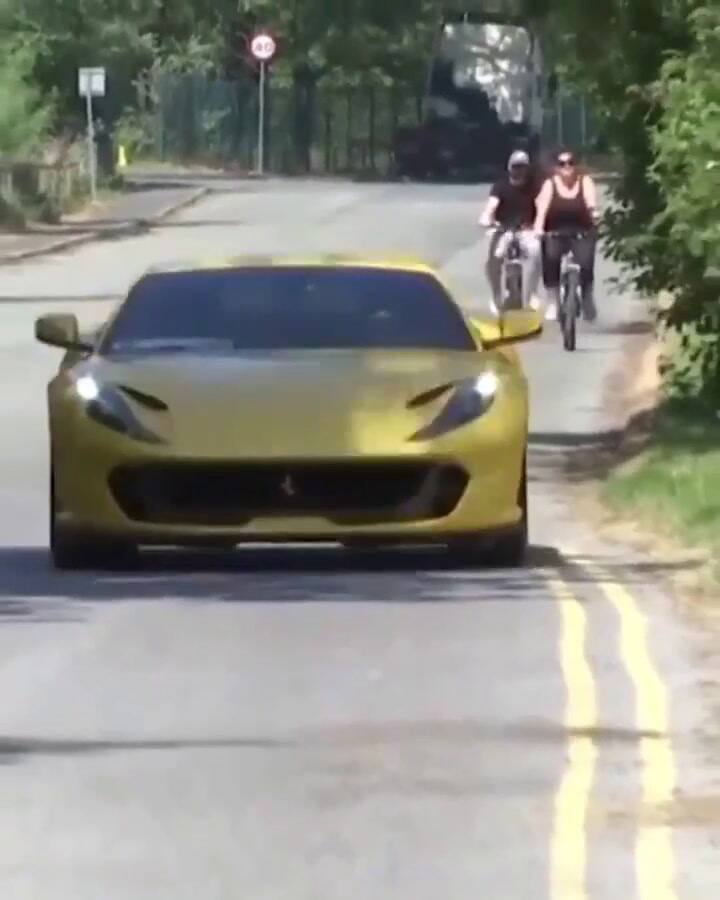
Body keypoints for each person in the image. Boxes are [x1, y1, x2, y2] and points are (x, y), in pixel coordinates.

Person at [533, 148, 601, 321]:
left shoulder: (585, 181)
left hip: (581, 231)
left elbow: (591, 202)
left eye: (571, 163)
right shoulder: (550, 184)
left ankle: (587, 298)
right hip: (555, 231)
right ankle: (554, 302)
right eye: (562, 164)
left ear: (576, 166)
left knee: (585, 264)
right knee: (551, 259)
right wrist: (539, 228)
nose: (567, 167)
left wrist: (594, 214)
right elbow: (542, 209)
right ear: (556, 168)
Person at [478, 149, 543, 315]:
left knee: (535, 251)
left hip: (526, 229)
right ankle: (496, 296)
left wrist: (539, 224)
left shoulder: (534, 186)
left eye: (522, 167)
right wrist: (487, 218)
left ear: (528, 168)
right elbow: (492, 205)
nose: (519, 170)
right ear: (509, 167)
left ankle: (532, 293)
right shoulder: (501, 185)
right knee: (495, 258)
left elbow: (541, 205)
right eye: (516, 166)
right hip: (504, 229)